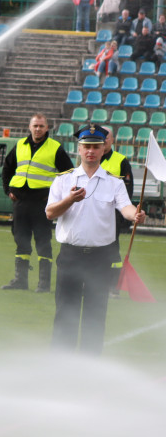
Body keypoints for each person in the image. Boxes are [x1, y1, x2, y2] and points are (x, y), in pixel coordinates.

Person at [46, 125, 146, 353]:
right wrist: (69, 200)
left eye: (96, 147)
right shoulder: (63, 180)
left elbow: (126, 208)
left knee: (95, 313)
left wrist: (136, 214)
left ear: (104, 149)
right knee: (65, 312)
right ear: (79, 150)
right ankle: (61, 363)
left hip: (100, 259)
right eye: (86, 147)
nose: (91, 151)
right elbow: (50, 212)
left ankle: (90, 365)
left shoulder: (115, 182)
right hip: (70, 256)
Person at [1, 113, 74, 292]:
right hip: (20, 202)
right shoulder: (19, 145)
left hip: (42, 204)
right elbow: (7, 168)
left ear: (47, 128)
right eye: (35, 126)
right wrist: (8, 190)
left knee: (43, 242)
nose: (38, 129)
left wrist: (57, 198)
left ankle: (44, 284)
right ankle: (21, 281)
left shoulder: (55, 148)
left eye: (41, 126)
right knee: (21, 241)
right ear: (29, 127)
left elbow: (69, 174)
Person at [100, 127, 135, 295]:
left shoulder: (121, 161)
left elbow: (127, 192)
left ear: (112, 140)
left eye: (107, 137)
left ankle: (114, 287)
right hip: (92, 213)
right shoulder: (91, 158)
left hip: (112, 214)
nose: (104, 140)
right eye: (101, 137)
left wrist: (123, 216)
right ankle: (93, 282)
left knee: (112, 250)